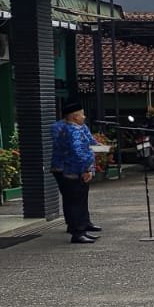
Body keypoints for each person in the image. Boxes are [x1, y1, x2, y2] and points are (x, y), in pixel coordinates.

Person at [50, 101, 100, 244]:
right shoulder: (70, 130)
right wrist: (86, 169)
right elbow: (78, 152)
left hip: (74, 168)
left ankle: (81, 227)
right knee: (74, 201)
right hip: (71, 169)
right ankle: (77, 231)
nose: (84, 117)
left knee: (79, 199)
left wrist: (98, 149)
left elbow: (90, 143)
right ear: (75, 116)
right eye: (82, 114)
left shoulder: (78, 128)